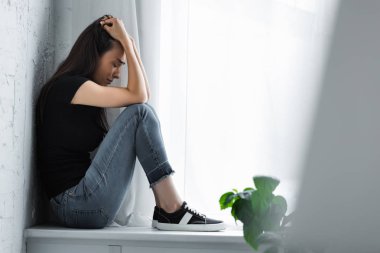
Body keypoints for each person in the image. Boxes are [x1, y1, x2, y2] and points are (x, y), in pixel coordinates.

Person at [35, 14, 225, 231]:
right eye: (115, 64)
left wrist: (131, 47)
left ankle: (170, 210)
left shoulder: (80, 92)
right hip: (76, 204)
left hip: (81, 205)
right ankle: (171, 208)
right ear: (95, 54)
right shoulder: (69, 87)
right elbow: (140, 99)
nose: (117, 74)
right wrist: (125, 41)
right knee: (140, 114)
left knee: (142, 111)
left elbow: (144, 94)